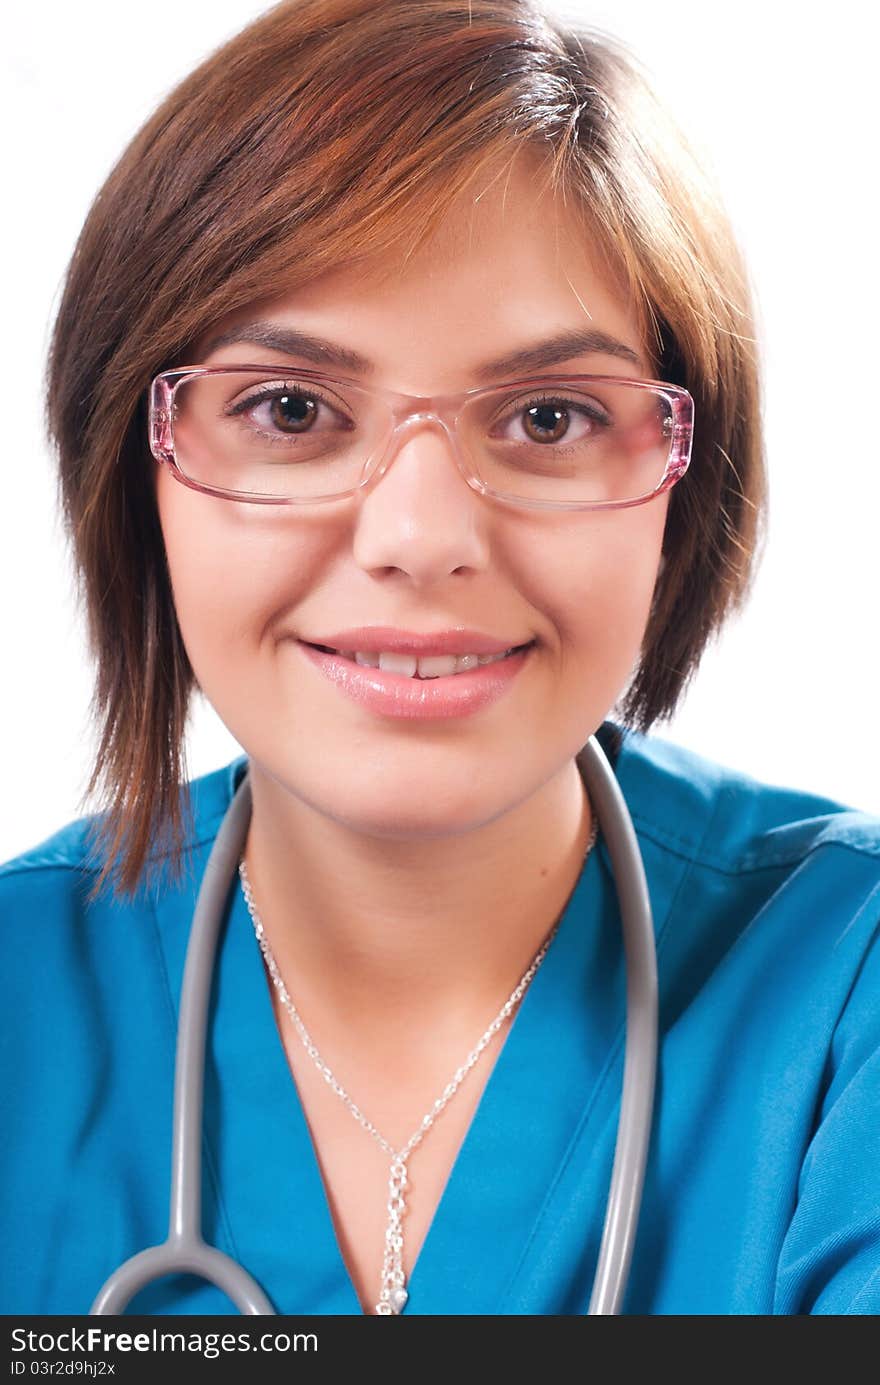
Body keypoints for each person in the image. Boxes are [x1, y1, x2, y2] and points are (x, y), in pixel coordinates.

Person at [1, 0, 879, 1318]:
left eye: (547, 415)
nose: (422, 535)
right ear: (138, 474)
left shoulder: (843, 989)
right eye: (291, 409)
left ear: (682, 489)